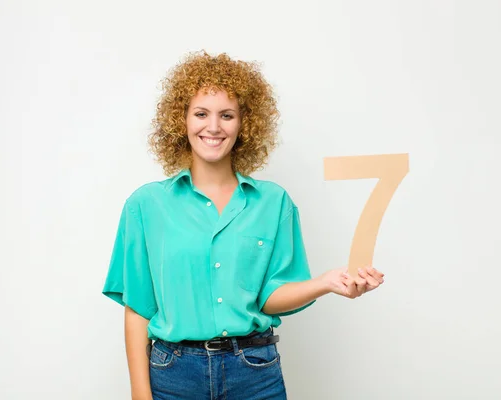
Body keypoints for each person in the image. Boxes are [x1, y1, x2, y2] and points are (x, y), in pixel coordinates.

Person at [102, 51, 385, 400]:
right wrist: (140, 395)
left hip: (254, 373)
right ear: (182, 120)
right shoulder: (145, 206)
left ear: (244, 123)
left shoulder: (273, 203)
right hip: (173, 375)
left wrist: (326, 282)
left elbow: (269, 298)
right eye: (201, 113)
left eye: (227, 115)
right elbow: (138, 309)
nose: (214, 127)